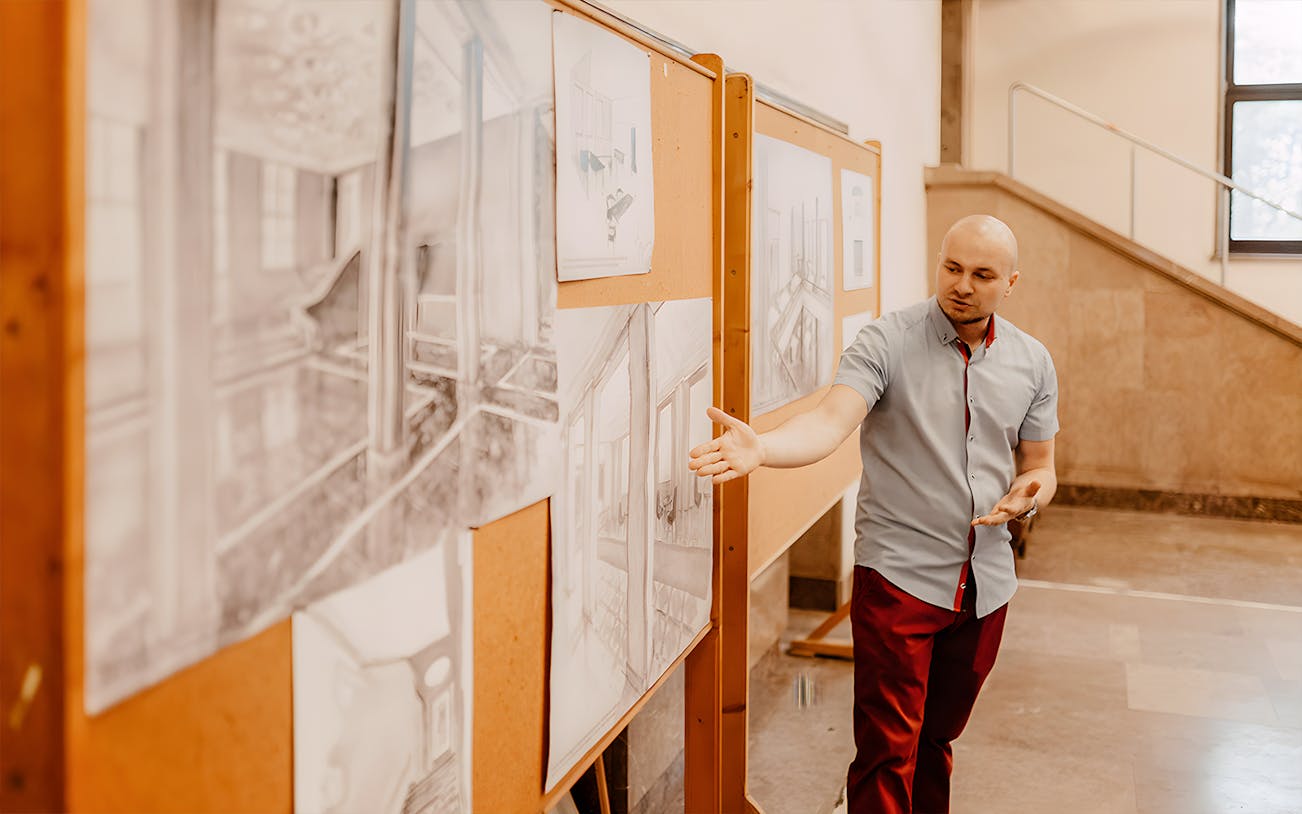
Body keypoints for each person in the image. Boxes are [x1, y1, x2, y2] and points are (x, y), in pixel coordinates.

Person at [688, 214, 1058, 814]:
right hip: (899, 577)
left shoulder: (1033, 361)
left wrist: (1031, 491)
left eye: (981, 274)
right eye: (951, 267)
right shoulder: (886, 341)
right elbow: (830, 421)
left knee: (937, 738)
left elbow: (1042, 464)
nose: (961, 284)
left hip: (986, 584)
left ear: (1010, 283)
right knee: (889, 747)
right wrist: (763, 446)